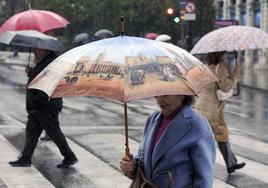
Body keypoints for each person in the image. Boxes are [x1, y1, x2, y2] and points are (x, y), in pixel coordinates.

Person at [120, 95, 216, 187]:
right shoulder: (152, 119)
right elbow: (142, 159)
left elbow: (204, 179)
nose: (160, 100)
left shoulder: (198, 125)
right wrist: (132, 166)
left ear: (183, 94)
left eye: (166, 94)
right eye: (157, 94)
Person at [9, 48, 78, 168]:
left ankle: (69, 156)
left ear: (46, 50)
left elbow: (48, 85)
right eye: (36, 50)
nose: (36, 51)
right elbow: (38, 79)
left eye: (38, 49)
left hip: (46, 106)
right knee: (32, 132)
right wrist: (31, 73)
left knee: (54, 132)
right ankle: (25, 158)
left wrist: (36, 100)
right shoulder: (43, 62)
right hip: (38, 106)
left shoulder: (51, 64)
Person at [194, 51, 246, 174]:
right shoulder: (220, 68)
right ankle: (199, 167)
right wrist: (235, 76)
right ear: (219, 55)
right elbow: (226, 87)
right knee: (205, 140)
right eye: (223, 53)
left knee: (221, 135)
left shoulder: (206, 66)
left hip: (205, 106)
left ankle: (231, 163)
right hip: (212, 109)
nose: (225, 55)